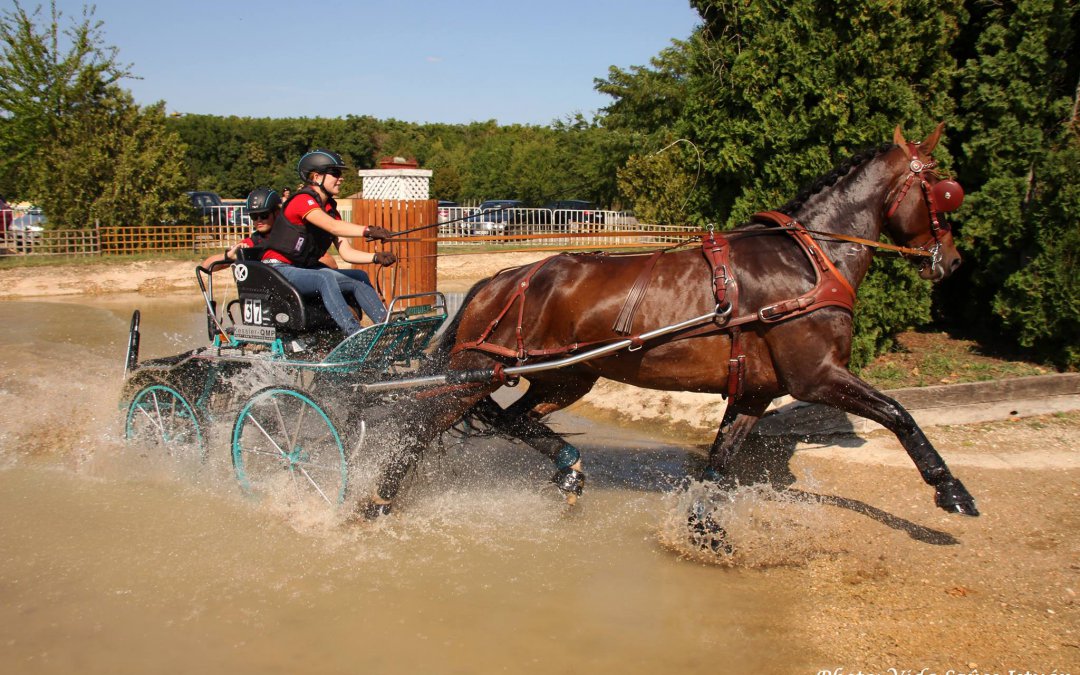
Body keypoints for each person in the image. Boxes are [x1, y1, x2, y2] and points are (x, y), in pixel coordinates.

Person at [262, 149, 396, 337]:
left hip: (304, 270)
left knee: (358, 276)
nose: (340, 178)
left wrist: (375, 257)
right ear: (316, 177)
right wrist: (368, 230)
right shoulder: (302, 201)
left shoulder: (330, 210)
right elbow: (333, 227)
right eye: (335, 173)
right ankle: (354, 333)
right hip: (278, 269)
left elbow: (346, 253)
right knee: (325, 278)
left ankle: (386, 328)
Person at [199, 188, 338, 270]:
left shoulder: (292, 236)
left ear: (276, 213)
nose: (259, 220)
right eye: (254, 216)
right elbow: (206, 266)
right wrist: (229, 256)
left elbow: (332, 263)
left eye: (264, 215)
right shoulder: (250, 243)